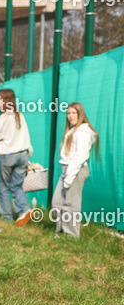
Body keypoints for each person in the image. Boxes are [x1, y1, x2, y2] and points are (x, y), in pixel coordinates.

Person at [0, 88, 33, 226]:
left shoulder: (4, 118)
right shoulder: (19, 115)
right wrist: (29, 153)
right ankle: (24, 209)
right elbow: (27, 135)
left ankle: (6, 217)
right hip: (23, 155)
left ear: (6, 100)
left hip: (7, 156)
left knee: (4, 187)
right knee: (17, 186)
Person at [51, 102, 99, 238]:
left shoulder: (83, 132)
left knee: (71, 204)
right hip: (66, 170)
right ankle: (61, 230)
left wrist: (69, 177)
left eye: (74, 113)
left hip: (75, 171)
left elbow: (80, 156)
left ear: (80, 114)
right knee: (57, 202)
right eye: (68, 113)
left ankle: (71, 235)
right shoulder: (72, 130)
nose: (70, 116)